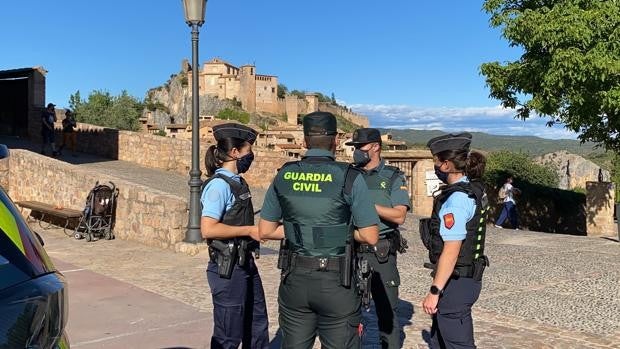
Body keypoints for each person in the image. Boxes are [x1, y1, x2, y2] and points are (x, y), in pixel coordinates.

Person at [258, 111, 380, 349]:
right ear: (335, 141)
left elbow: (265, 230)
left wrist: (304, 231)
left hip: (295, 281)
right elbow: (370, 235)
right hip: (337, 283)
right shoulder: (350, 177)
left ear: (304, 141)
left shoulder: (284, 174)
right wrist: (340, 233)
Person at [200, 123, 270, 349]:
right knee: (228, 336)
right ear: (235, 153)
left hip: (244, 263)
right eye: (249, 150)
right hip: (227, 269)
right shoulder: (219, 186)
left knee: (257, 325)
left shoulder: (238, 182)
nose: (251, 156)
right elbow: (208, 229)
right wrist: (248, 230)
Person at [419, 132, 489, 349]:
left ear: (447, 164)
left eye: (436, 162)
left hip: (456, 283)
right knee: (438, 342)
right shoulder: (472, 189)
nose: (435, 167)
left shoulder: (456, 201)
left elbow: (451, 250)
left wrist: (434, 291)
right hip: (464, 280)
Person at [345, 128, 410, 348]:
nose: (356, 152)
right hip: (351, 250)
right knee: (347, 313)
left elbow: (399, 215)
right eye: (354, 148)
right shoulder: (349, 175)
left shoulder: (392, 176)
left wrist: (367, 206)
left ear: (375, 147)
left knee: (387, 314)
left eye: (360, 147)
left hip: (380, 253)